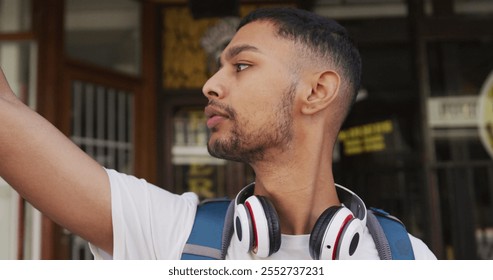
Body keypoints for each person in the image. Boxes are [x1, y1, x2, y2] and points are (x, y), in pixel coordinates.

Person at [0, 7, 436, 260]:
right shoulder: (169, 232)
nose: (210, 84)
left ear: (318, 91)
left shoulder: (408, 258)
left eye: (241, 66)